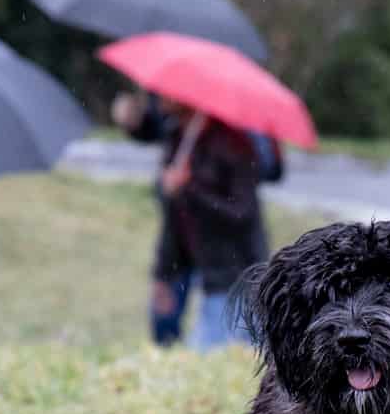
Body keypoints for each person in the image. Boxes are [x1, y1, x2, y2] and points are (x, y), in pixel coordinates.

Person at [111, 90, 282, 347]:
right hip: (186, 259)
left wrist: (189, 188)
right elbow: (172, 219)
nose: (160, 97)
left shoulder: (234, 143)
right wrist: (163, 276)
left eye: (168, 92)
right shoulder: (178, 137)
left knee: (214, 355)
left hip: (233, 270)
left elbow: (241, 213)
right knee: (164, 339)